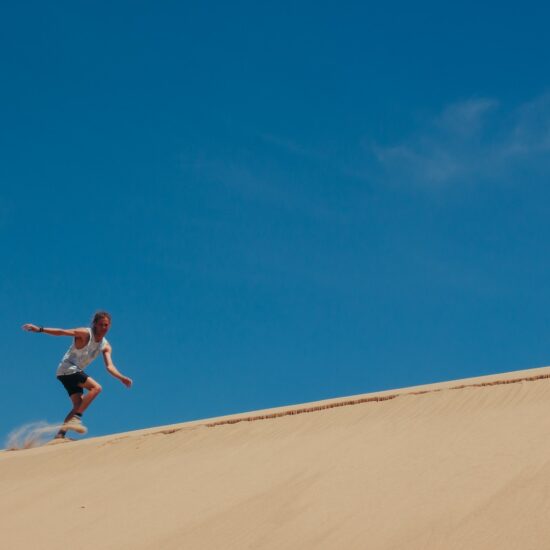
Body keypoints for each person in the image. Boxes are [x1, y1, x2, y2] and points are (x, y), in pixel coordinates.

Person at [22, 311, 132, 439]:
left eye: (106, 325)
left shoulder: (105, 345)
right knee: (96, 388)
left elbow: (110, 366)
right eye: (101, 324)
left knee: (78, 405)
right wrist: (40, 329)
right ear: (95, 324)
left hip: (68, 373)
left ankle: (60, 435)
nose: (104, 328)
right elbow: (62, 332)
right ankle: (76, 418)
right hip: (68, 368)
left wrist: (121, 377)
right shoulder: (85, 334)